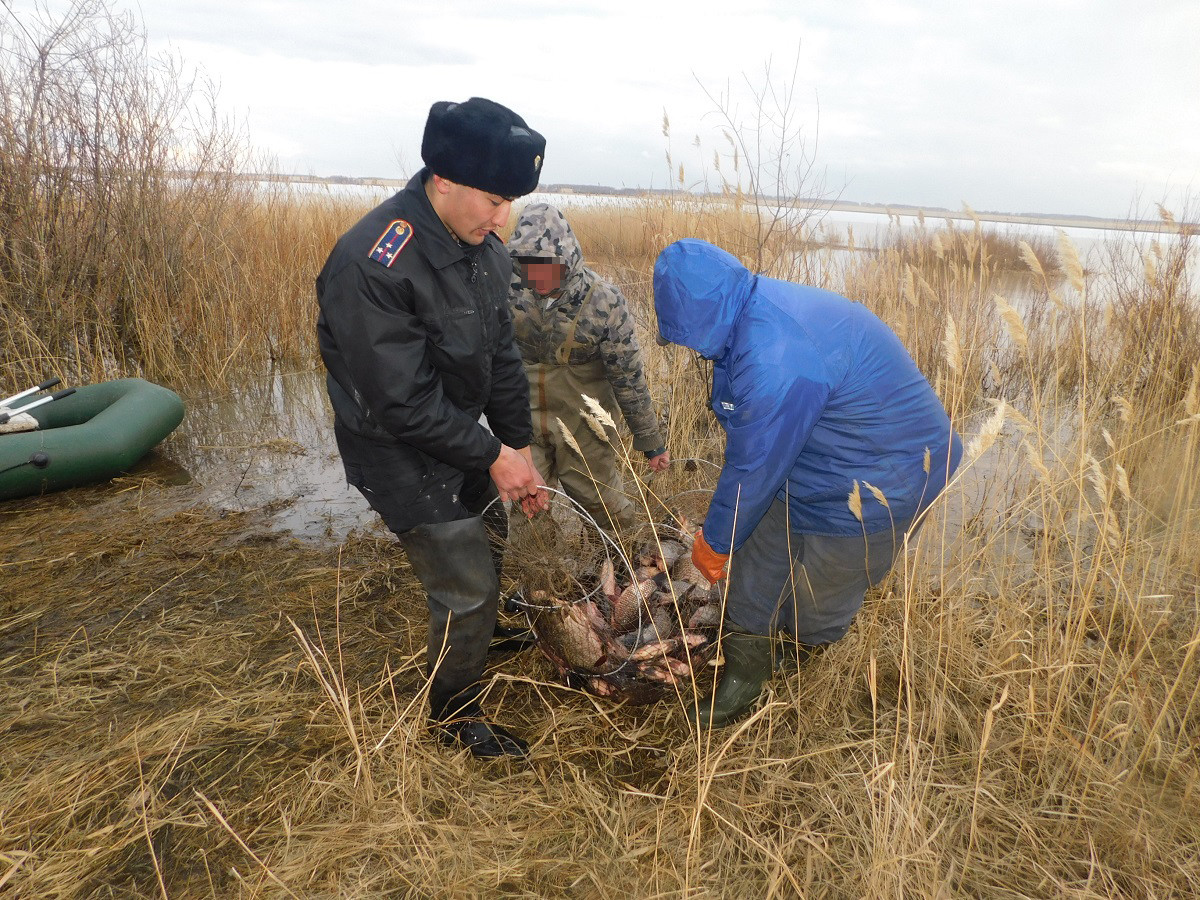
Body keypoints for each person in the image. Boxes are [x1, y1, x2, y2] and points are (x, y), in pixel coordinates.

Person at [316, 97, 549, 759]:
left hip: (457, 430)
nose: (503, 218)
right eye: (494, 200)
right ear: (443, 179)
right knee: (465, 578)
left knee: (493, 527)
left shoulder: (484, 250)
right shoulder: (373, 262)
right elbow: (399, 403)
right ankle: (453, 719)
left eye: (511, 203)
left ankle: (481, 629)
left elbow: (503, 355)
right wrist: (491, 453)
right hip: (392, 445)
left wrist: (516, 446)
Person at [653, 238, 963, 728]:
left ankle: (801, 671)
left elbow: (754, 464)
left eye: (687, 335)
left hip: (890, 475)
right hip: (811, 461)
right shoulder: (743, 317)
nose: (689, 348)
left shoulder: (779, 352)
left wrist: (714, 541)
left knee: (816, 607)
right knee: (755, 574)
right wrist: (731, 534)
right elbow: (756, 445)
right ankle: (746, 677)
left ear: (702, 319)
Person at [506, 203, 669, 532]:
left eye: (547, 267)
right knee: (527, 508)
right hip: (522, 423)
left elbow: (628, 377)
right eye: (528, 266)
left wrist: (650, 440)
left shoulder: (603, 300)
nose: (538, 277)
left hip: (583, 423)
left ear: (566, 259)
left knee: (601, 504)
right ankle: (540, 578)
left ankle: (628, 567)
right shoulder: (505, 291)